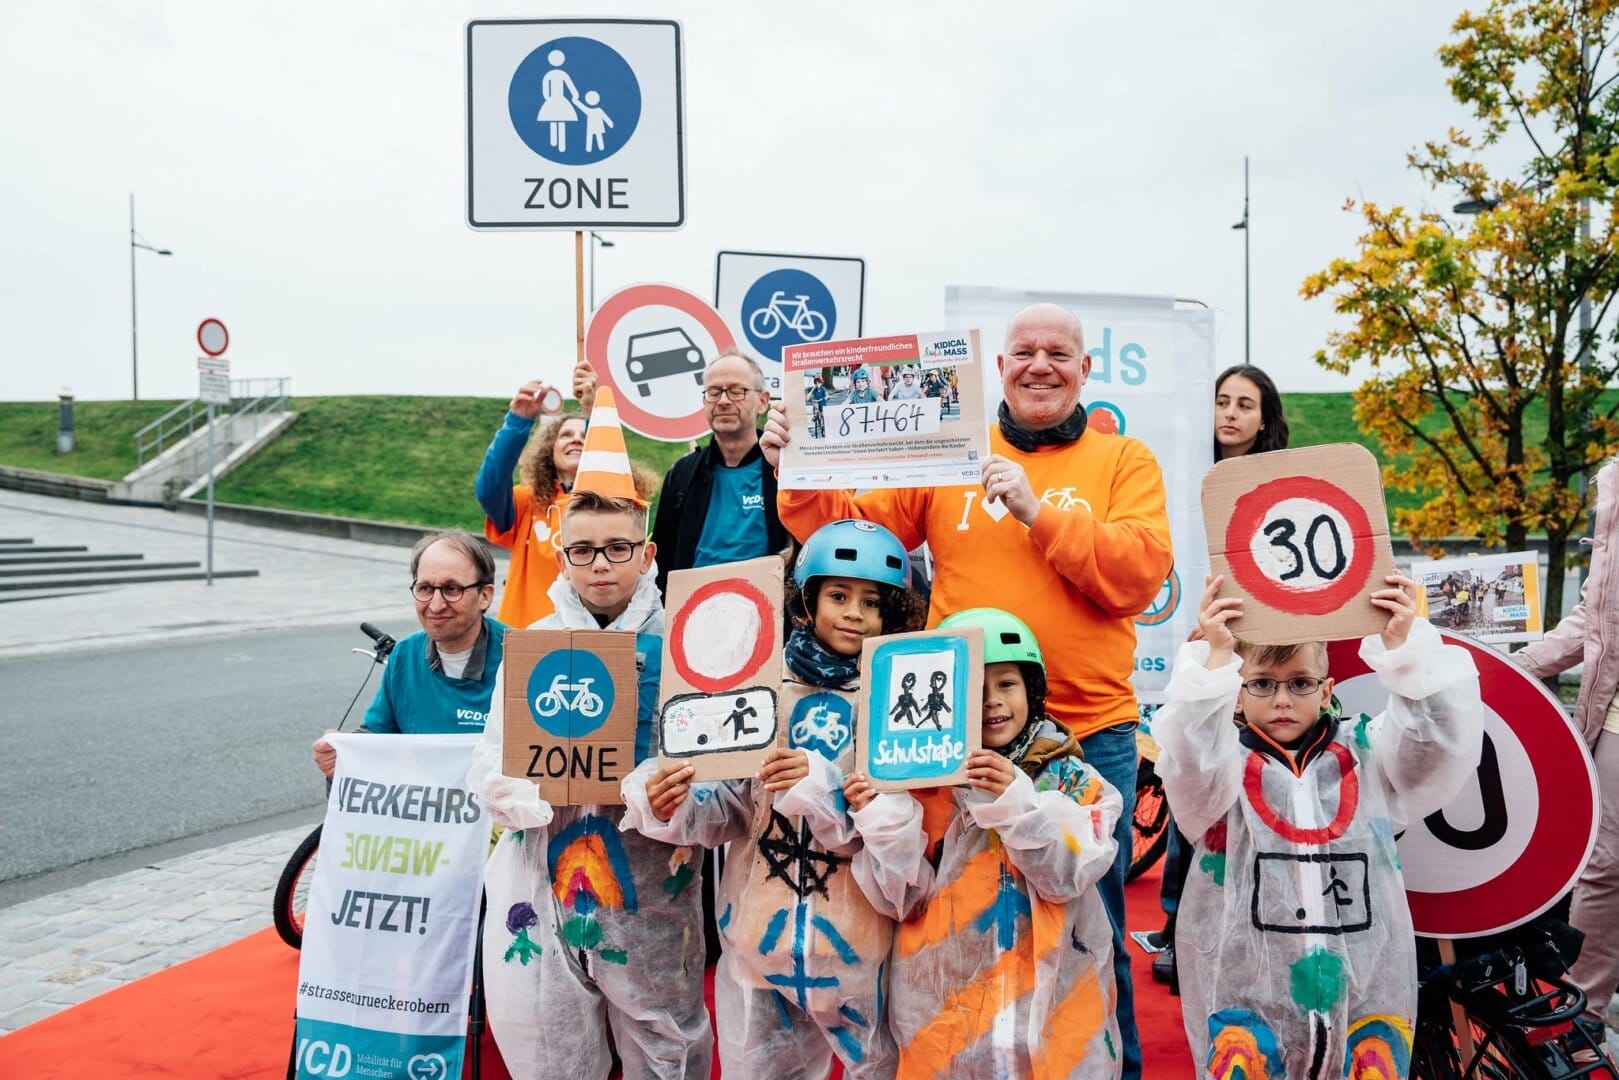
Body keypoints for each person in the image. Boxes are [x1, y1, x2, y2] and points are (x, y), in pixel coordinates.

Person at [763, 301, 1173, 1078]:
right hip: (952, 728)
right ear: (1000, 368)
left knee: (1092, 922)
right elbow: (856, 532)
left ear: (1085, 370)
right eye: (1024, 351)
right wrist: (799, 471)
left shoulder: (1125, 461)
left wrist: (1035, 511)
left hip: (1085, 732)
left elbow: (1138, 573)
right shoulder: (953, 453)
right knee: (946, 914)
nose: (1039, 365)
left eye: (1058, 352)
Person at [622, 520, 927, 1077]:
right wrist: (676, 803)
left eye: (872, 602)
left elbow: (899, 839)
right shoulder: (761, 682)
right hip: (759, 932)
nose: (854, 613)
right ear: (807, 600)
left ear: (894, 613)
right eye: (838, 596)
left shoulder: (901, 698)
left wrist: (831, 792)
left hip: (856, 943)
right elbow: (732, 805)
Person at [467, 390, 711, 1080]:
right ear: (560, 553)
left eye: (616, 548)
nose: (600, 563)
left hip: (652, 891)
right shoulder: (535, 645)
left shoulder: (688, 648)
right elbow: (489, 749)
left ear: (648, 551)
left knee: (664, 1044)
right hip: (541, 883)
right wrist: (504, 785)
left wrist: (671, 794)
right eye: (583, 549)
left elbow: (725, 786)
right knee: (549, 1048)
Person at [1153, 573, 1481, 1074]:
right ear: (1236, 694)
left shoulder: (1365, 754)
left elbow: (1433, 747)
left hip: (1363, 990)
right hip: (1253, 994)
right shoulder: (1225, 770)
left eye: (1300, 683)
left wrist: (1405, 653)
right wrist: (1214, 661)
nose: (1282, 700)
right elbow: (1189, 763)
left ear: (1327, 689)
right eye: (1262, 684)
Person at [838, 608, 1124, 1076]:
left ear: (1032, 689)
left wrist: (1016, 802)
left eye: (1007, 684)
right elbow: (903, 900)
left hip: (1056, 1015)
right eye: (974, 688)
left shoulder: (1072, 779)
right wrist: (881, 818)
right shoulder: (923, 787)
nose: (992, 702)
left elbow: (1065, 876)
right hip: (943, 1015)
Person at [1153, 362, 1293, 987]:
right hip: (1198, 649)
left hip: (1262, 657)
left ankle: (1259, 925)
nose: (1230, 413)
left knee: (1255, 793)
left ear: (1265, 419)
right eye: (1221, 400)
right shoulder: (1176, 478)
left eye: (1245, 403)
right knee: (1194, 780)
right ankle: (1178, 927)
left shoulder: (1281, 485)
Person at [1515, 456, 1619, 1056]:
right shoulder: (1614, 483)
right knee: (1603, 868)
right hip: (1614, 722)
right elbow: (1596, 617)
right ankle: (1584, 1021)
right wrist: (1513, 666)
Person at [311, 530, 504, 776]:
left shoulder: (524, 659)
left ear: (484, 596)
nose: (435, 605)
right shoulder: (404, 655)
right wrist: (342, 752)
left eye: (452, 589)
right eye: (425, 588)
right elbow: (377, 735)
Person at [650, 351, 790, 598]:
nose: (724, 401)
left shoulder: (785, 468)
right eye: (714, 392)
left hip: (769, 612)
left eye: (737, 391)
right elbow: (662, 558)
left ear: (762, 400)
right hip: (692, 611)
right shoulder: (682, 474)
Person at [476, 380, 587, 629]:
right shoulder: (528, 503)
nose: (577, 440)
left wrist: (595, 412)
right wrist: (517, 423)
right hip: (526, 638)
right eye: (566, 435)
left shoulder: (608, 502)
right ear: (549, 450)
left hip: (588, 637)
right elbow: (489, 488)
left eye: (586, 434)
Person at [1213, 363, 1289, 459]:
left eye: (1244, 406)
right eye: (1222, 403)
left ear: (1263, 420)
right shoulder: (1190, 467)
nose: (1230, 414)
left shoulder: (1282, 471)